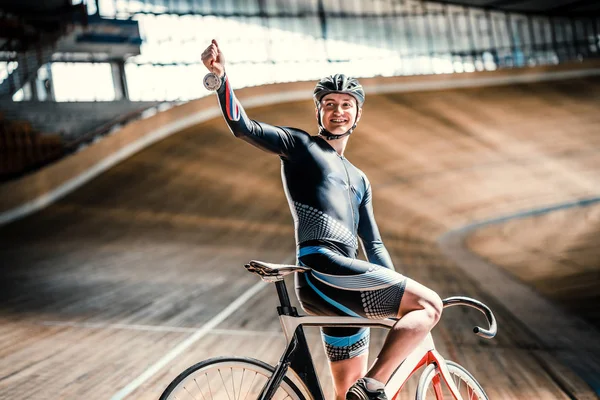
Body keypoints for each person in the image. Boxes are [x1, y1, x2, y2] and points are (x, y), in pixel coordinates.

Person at [201, 39, 443, 400]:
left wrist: (396, 287)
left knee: (346, 395)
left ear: (357, 115)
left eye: (347, 105)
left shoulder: (360, 179)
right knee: (430, 305)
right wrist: (221, 80)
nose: (338, 111)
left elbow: (373, 244)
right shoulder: (300, 147)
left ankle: (363, 388)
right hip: (324, 270)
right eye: (329, 104)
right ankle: (374, 384)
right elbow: (244, 128)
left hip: (342, 290)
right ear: (319, 111)